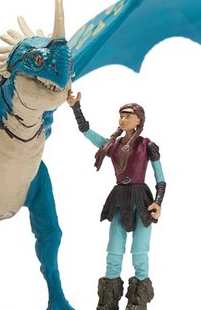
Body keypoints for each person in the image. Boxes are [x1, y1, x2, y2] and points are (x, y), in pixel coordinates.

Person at [67, 91, 166, 310]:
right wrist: (76, 108)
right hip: (120, 198)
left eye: (128, 116)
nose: (123, 119)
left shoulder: (148, 145)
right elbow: (87, 132)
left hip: (142, 201)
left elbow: (161, 179)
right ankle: (108, 301)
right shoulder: (112, 145)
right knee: (114, 249)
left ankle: (137, 301)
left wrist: (158, 203)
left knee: (140, 251)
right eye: (121, 115)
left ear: (139, 120)